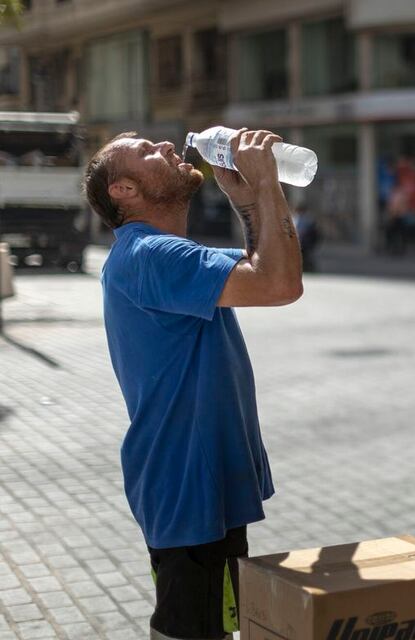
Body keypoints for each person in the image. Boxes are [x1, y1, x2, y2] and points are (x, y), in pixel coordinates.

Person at [82, 129, 303, 640]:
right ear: (124, 191)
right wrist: (268, 185)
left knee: (215, 624)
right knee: (189, 629)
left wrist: (246, 200)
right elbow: (280, 285)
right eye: (145, 152)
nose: (165, 147)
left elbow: (263, 269)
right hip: (185, 479)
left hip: (201, 474)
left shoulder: (165, 255)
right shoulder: (151, 255)